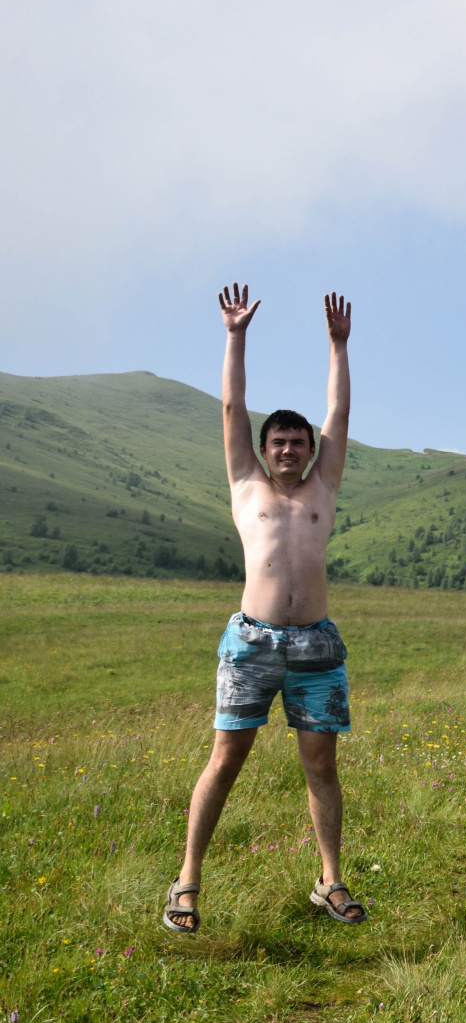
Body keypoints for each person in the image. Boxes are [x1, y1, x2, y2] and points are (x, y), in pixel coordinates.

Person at [165, 285, 365, 934]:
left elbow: (338, 411)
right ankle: (187, 882)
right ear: (264, 447)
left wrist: (338, 347)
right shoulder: (245, 482)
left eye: (295, 442)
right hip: (251, 643)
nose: (286, 450)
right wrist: (235, 334)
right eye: (276, 441)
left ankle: (330, 880)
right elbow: (231, 405)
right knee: (226, 758)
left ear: (310, 449)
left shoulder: (323, 485)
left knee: (321, 763)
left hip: (315, 646)